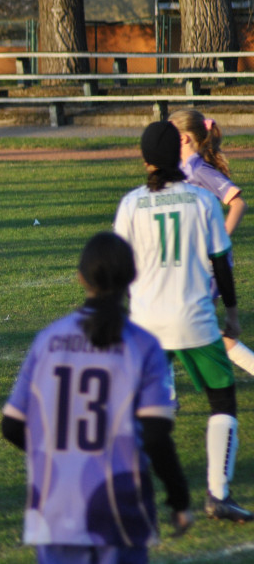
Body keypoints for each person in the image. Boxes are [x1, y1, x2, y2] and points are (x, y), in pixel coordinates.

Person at [2, 231, 193, 564]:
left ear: (80, 277)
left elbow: (12, 426)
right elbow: (156, 436)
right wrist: (178, 498)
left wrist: (57, 453)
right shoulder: (143, 344)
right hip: (119, 500)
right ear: (133, 278)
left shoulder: (49, 339)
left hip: (55, 502)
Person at [113, 121, 250, 522]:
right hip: (194, 319)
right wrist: (233, 316)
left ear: (144, 161)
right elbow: (220, 261)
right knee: (221, 400)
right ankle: (218, 494)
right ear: (180, 154)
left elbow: (119, 267)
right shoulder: (201, 202)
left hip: (146, 324)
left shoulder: (131, 204)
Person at [169, 109, 254, 375]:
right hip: (197, 262)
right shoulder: (181, 170)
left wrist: (220, 240)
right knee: (193, 328)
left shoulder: (199, 169)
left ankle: (167, 393)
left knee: (178, 323)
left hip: (206, 264)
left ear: (183, 139)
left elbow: (238, 202)